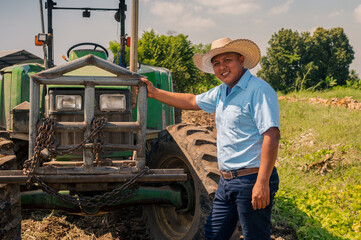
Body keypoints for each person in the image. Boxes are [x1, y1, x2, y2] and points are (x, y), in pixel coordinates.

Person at [141, 37, 280, 240]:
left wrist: (262, 182)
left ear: (241, 60)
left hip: (251, 178)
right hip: (226, 180)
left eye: (227, 60)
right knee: (213, 234)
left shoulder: (258, 90)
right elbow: (190, 100)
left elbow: (271, 135)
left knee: (255, 236)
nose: (222, 67)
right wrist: (154, 93)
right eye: (216, 63)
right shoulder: (222, 92)